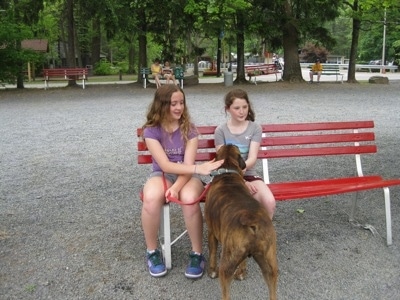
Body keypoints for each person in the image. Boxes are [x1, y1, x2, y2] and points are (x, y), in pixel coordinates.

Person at [140, 84, 224, 278]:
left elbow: (187, 167)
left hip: (188, 176)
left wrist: (177, 187)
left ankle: (197, 254)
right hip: (162, 174)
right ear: (161, 105)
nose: (179, 107)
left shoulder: (189, 130)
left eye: (182, 103)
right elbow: (165, 165)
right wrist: (197, 169)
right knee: (151, 197)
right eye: (173, 104)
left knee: (189, 198)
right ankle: (152, 251)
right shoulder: (151, 131)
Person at [214, 88, 276, 220]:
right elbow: (222, 162)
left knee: (269, 202)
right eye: (237, 108)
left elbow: (252, 158)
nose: (242, 111)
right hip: (227, 177)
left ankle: (261, 237)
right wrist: (240, 181)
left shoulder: (254, 128)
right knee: (228, 206)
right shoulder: (221, 131)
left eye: (244, 107)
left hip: (249, 174)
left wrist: (243, 179)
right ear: (228, 109)